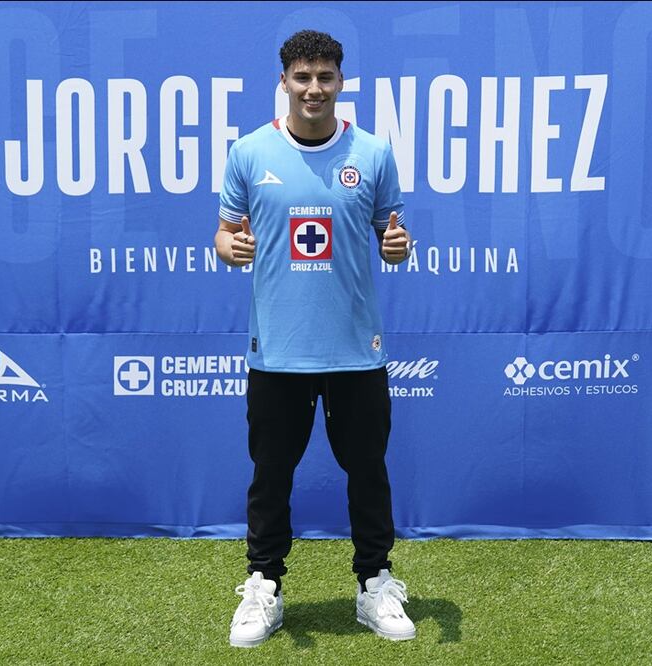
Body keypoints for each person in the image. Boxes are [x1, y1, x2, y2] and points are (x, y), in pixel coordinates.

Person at [214, 29, 414, 647]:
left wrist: (398, 247)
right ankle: (263, 586)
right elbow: (223, 237)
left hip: (357, 350)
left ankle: (375, 583)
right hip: (277, 352)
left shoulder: (374, 153)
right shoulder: (249, 153)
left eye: (325, 77)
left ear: (341, 83)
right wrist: (232, 247)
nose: (313, 89)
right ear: (284, 82)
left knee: (368, 472)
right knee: (270, 473)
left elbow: (394, 236)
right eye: (302, 77)